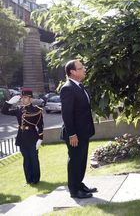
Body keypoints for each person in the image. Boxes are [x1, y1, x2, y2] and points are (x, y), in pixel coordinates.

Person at [60, 59, 97, 199]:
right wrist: (72, 134)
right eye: (81, 68)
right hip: (74, 134)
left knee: (81, 160)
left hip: (83, 132)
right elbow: (67, 114)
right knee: (75, 161)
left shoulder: (80, 86)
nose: (84, 69)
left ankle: (79, 184)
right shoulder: (67, 88)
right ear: (72, 72)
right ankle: (74, 191)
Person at [1, 89, 43, 184]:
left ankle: (35, 180)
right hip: (22, 137)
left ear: (30, 99)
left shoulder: (36, 110)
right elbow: (4, 111)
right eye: (22, 97)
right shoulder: (19, 110)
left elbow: (40, 126)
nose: (23, 99)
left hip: (33, 137)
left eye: (25, 97)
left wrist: (40, 139)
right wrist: (9, 102)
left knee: (34, 159)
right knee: (26, 159)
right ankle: (28, 180)